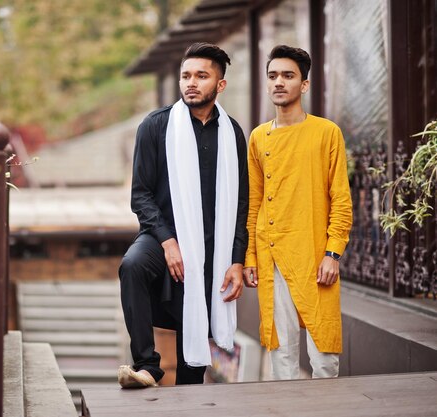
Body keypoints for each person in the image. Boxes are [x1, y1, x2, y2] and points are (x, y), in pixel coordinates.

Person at [117, 42, 249, 388]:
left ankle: (191, 399)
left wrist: (236, 259)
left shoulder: (232, 134)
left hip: (212, 245)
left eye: (201, 76)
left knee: (194, 354)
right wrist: (167, 240)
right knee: (132, 266)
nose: (191, 83)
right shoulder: (157, 126)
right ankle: (147, 365)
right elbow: (141, 194)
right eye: (185, 76)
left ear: (220, 84)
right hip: (163, 234)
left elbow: (240, 205)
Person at [243, 45, 353, 379]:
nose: (279, 82)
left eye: (288, 76)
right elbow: (253, 203)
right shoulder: (259, 137)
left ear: (303, 85)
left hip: (315, 256)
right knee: (282, 357)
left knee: (324, 358)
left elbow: (342, 201)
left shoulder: (326, 132)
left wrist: (333, 253)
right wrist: (250, 258)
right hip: (272, 255)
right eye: (273, 75)